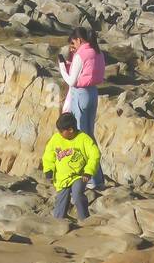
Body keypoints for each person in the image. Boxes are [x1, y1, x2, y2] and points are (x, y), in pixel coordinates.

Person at [59, 27, 107, 189]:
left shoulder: (81, 54)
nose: (73, 47)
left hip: (80, 95)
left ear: (79, 40)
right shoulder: (97, 52)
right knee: (89, 136)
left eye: (73, 43)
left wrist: (61, 68)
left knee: (81, 137)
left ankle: (91, 179)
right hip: (93, 93)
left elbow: (71, 81)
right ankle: (98, 178)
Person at [42, 112, 101, 221]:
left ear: (70, 130)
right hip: (62, 178)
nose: (59, 133)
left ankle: (85, 220)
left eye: (61, 131)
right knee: (61, 204)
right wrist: (48, 169)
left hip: (78, 176)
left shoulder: (83, 139)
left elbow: (95, 155)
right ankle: (59, 224)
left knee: (77, 194)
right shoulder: (56, 139)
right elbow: (48, 155)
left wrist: (88, 171)